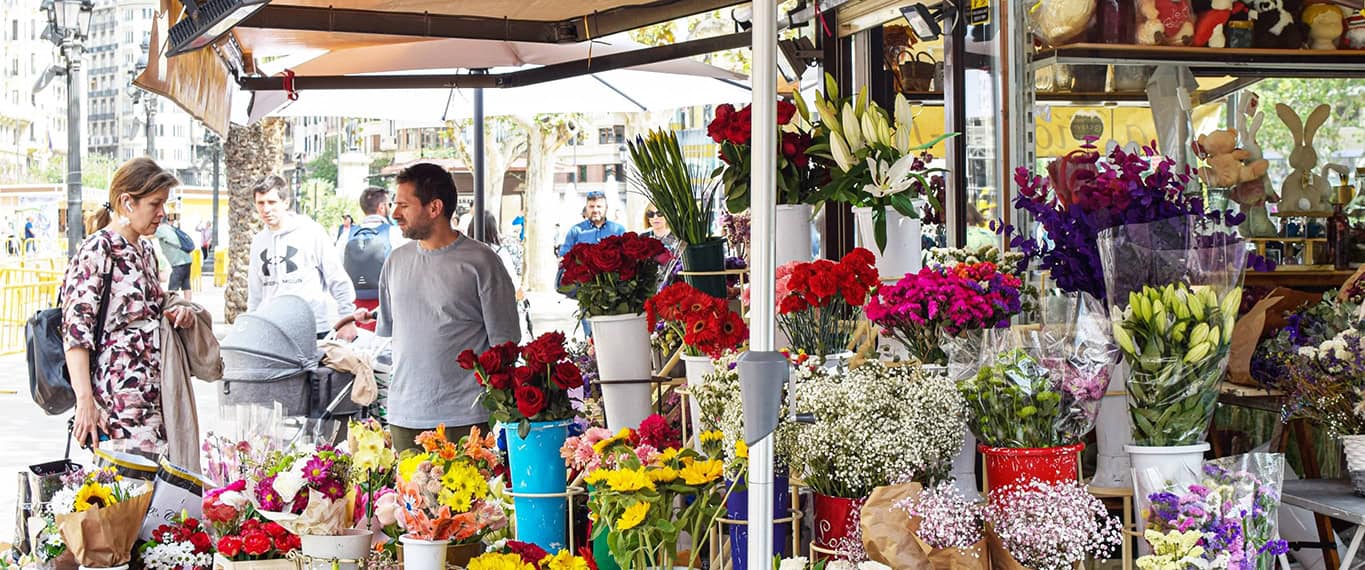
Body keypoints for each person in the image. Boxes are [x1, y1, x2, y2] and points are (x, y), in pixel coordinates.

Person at [353, 163, 520, 453]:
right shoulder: (395, 262)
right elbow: (394, 332)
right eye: (395, 204)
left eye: (404, 205)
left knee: (468, 499)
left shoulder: (482, 262)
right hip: (404, 414)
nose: (394, 214)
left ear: (434, 208)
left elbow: (505, 343)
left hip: (465, 415)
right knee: (407, 498)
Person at [63, 157, 197, 455]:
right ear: (127, 202)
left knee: (158, 490)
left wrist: (178, 313)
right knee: (128, 491)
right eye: (155, 204)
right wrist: (84, 399)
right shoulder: (99, 248)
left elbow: (152, 308)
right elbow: (75, 331)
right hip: (118, 400)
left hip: (154, 393)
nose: (162, 213)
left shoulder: (146, 249)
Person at [247, 175, 359, 341]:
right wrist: (251, 326)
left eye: (272, 202)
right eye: (260, 203)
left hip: (311, 329)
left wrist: (348, 319)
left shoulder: (311, 232)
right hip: (272, 331)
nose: (266, 209)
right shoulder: (259, 241)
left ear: (285, 202)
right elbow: (255, 292)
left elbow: (337, 278)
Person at [557, 191, 625, 336]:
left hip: (614, 289)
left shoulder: (618, 229)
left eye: (599, 206)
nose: (595, 210)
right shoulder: (576, 231)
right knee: (591, 335)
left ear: (606, 208)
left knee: (614, 331)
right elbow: (564, 257)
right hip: (587, 290)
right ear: (586, 208)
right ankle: (592, 355)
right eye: (591, 206)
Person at [343, 187, 407, 331]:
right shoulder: (394, 233)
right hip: (385, 305)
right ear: (382, 207)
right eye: (390, 205)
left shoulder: (346, 235)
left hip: (355, 306)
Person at [155, 214, 194, 301]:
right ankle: (188, 303)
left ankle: (172, 304)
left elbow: (147, 235)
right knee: (186, 283)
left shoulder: (160, 229)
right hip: (187, 259)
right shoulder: (170, 228)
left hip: (178, 262)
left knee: (173, 287)